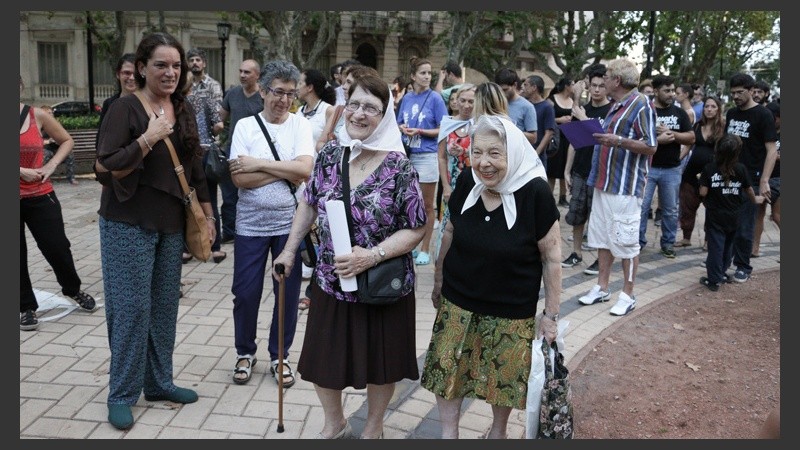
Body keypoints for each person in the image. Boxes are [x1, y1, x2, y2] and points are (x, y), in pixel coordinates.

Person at [272, 73, 426, 439]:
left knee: (381, 363)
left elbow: (418, 227)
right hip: (331, 278)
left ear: (384, 115)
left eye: (371, 108)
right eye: (354, 104)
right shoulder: (330, 154)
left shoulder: (398, 166)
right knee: (324, 360)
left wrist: (371, 256)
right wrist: (289, 250)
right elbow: (308, 205)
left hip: (381, 283)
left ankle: (374, 428)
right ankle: (335, 423)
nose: (359, 114)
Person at [95, 31, 214, 430]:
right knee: (131, 309)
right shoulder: (124, 108)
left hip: (171, 223)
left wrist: (209, 215)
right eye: (161, 65)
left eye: (176, 65)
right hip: (126, 221)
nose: (170, 72)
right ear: (142, 68)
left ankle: (159, 383)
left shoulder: (184, 108)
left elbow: (196, 165)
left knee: (163, 308)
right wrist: (148, 138)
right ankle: (121, 393)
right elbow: (107, 165)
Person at [422, 114, 558, 439]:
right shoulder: (469, 181)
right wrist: (439, 278)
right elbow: (451, 229)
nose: (484, 162)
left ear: (513, 152)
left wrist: (551, 315)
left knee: (503, 384)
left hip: (511, 310)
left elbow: (552, 258)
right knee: (447, 373)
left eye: (495, 153)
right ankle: (449, 435)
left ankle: (498, 433)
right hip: (458, 300)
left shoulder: (535, 193)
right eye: (478, 152)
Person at [227, 60, 314, 389]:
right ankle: (244, 352)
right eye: (278, 92)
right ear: (263, 91)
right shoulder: (246, 127)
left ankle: (280, 356)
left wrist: (260, 164)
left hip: (289, 226)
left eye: (291, 94)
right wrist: (286, 168)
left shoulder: (300, 125)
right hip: (250, 224)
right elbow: (239, 178)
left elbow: (305, 171)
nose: (284, 100)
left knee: (286, 293)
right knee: (245, 293)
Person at [577, 58, 657, 317]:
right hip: (603, 183)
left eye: (607, 77)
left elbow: (651, 145)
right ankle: (602, 287)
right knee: (602, 238)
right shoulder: (616, 105)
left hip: (625, 188)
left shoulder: (641, 104)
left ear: (617, 81)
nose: (600, 81)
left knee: (626, 243)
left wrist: (618, 141)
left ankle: (628, 294)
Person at [20, 77, 97, 332]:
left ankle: (72, 289)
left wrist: (51, 166)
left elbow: (66, 140)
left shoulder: (36, 115)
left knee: (57, 247)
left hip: (40, 193)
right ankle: (25, 307)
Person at [725, 73, 778, 283]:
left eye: (740, 92)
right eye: (733, 93)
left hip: (753, 178)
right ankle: (723, 260)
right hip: (730, 176)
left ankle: (743, 266)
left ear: (751, 90)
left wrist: (764, 180)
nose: (736, 97)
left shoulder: (763, 115)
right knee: (728, 221)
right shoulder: (731, 114)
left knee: (745, 224)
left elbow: (772, 151)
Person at [397, 56, 448, 266]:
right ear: (413, 76)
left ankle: (425, 248)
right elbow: (399, 122)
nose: (427, 77)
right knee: (408, 203)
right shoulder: (407, 98)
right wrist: (403, 129)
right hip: (408, 155)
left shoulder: (435, 98)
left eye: (429, 73)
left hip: (427, 155)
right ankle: (408, 245)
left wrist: (421, 131)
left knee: (427, 205)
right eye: (423, 73)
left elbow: (443, 128)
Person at [638, 74, 695, 258]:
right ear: (655, 91)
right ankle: (638, 242)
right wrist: (656, 138)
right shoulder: (646, 111)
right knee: (642, 207)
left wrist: (673, 134)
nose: (671, 94)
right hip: (648, 167)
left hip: (671, 169)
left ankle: (668, 243)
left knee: (670, 209)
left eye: (673, 90)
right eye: (667, 90)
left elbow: (691, 138)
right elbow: (636, 137)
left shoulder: (679, 113)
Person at [562, 66, 612, 273]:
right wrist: (567, 170)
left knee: (598, 216)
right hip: (581, 170)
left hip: (601, 172)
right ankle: (576, 252)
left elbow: (606, 140)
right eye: (594, 86)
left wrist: (583, 117)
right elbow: (574, 142)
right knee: (577, 213)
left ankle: (600, 259)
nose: (597, 90)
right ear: (588, 86)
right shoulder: (583, 110)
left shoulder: (612, 111)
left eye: (602, 86)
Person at [698, 134, 762, 291]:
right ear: (737, 153)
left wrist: (701, 181)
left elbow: (703, 192)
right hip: (734, 215)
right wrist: (756, 200)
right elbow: (748, 190)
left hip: (715, 215)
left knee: (715, 247)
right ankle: (722, 272)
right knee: (728, 245)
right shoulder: (740, 169)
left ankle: (714, 280)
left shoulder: (709, 168)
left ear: (717, 150)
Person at [218, 59, 263, 244]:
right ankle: (229, 232)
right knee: (229, 195)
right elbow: (221, 118)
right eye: (241, 71)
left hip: (256, 155)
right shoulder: (233, 93)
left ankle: (253, 230)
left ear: (257, 76)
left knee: (252, 193)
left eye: (247, 72)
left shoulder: (263, 96)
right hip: (232, 152)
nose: (242, 75)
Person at [185, 72, 225, 263]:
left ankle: (186, 249)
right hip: (207, 153)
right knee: (209, 197)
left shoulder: (176, 103)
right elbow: (219, 125)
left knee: (187, 200)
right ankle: (215, 247)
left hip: (186, 156)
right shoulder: (206, 98)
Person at [676, 96, 725, 248]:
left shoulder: (723, 127)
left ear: (718, 109)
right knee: (687, 206)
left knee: (712, 209)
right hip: (692, 172)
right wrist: (677, 160)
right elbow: (688, 146)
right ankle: (686, 237)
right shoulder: (697, 126)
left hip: (712, 174)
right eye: (707, 107)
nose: (709, 109)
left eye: (713, 107)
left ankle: (707, 240)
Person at [434, 84, 476, 259]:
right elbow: (442, 157)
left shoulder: (479, 124)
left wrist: (466, 152)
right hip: (452, 183)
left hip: (475, 183)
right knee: (448, 224)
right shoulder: (447, 124)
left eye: (471, 101)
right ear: (456, 102)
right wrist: (445, 186)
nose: (467, 105)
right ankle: (443, 262)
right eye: (463, 100)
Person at [752, 101, 780, 258]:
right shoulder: (764, 132)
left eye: (774, 118)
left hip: (780, 179)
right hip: (763, 177)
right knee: (758, 214)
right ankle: (754, 248)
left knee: (777, 215)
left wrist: (774, 156)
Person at [547, 77, 576, 207]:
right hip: (556, 137)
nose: (575, 86)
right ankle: (548, 197)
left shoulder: (573, 101)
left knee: (565, 169)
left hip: (568, 137)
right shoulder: (552, 99)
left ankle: (563, 197)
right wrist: (560, 120)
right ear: (566, 86)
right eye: (573, 84)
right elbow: (546, 117)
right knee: (552, 171)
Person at [494, 67, 538, 146]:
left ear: (514, 85)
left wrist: (510, 131)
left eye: (505, 90)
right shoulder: (494, 102)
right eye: (499, 90)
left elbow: (533, 138)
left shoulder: (527, 107)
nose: (502, 94)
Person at [521, 74, 557, 168]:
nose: (522, 87)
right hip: (522, 153)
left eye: (525, 85)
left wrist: (536, 153)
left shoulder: (547, 107)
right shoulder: (524, 105)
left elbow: (549, 133)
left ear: (534, 87)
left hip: (537, 156)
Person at [40, 105, 77, 185]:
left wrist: (59, 141)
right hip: (46, 149)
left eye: (51, 113)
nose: (51, 115)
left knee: (69, 154)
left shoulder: (56, 124)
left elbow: (65, 138)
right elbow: (36, 140)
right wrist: (48, 141)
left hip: (56, 148)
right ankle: (44, 177)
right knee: (44, 154)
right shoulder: (39, 125)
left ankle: (71, 178)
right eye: (48, 113)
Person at [99, 53, 138, 126]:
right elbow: (101, 136)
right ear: (118, 74)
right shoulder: (109, 104)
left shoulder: (148, 103)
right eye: (127, 73)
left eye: (136, 74)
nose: (132, 78)